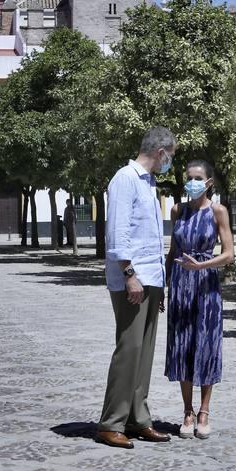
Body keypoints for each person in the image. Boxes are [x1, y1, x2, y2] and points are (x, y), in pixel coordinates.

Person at [96, 125, 177, 449]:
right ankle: (111, 422)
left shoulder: (149, 182)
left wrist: (158, 282)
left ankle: (137, 419)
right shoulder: (125, 179)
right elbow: (117, 232)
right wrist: (129, 273)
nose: (170, 162)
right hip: (133, 277)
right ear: (161, 152)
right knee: (128, 351)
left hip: (150, 278)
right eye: (171, 156)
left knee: (143, 354)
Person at [165, 161, 234, 440]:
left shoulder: (218, 211)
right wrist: (164, 286)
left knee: (206, 344)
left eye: (198, 178)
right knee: (182, 347)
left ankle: (204, 411)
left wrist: (202, 267)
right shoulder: (177, 210)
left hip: (206, 284)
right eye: (188, 178)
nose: (192, 182)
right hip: (181, 285)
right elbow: (172, 250)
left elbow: (229, 254)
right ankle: (187, 411)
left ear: (208, 183)